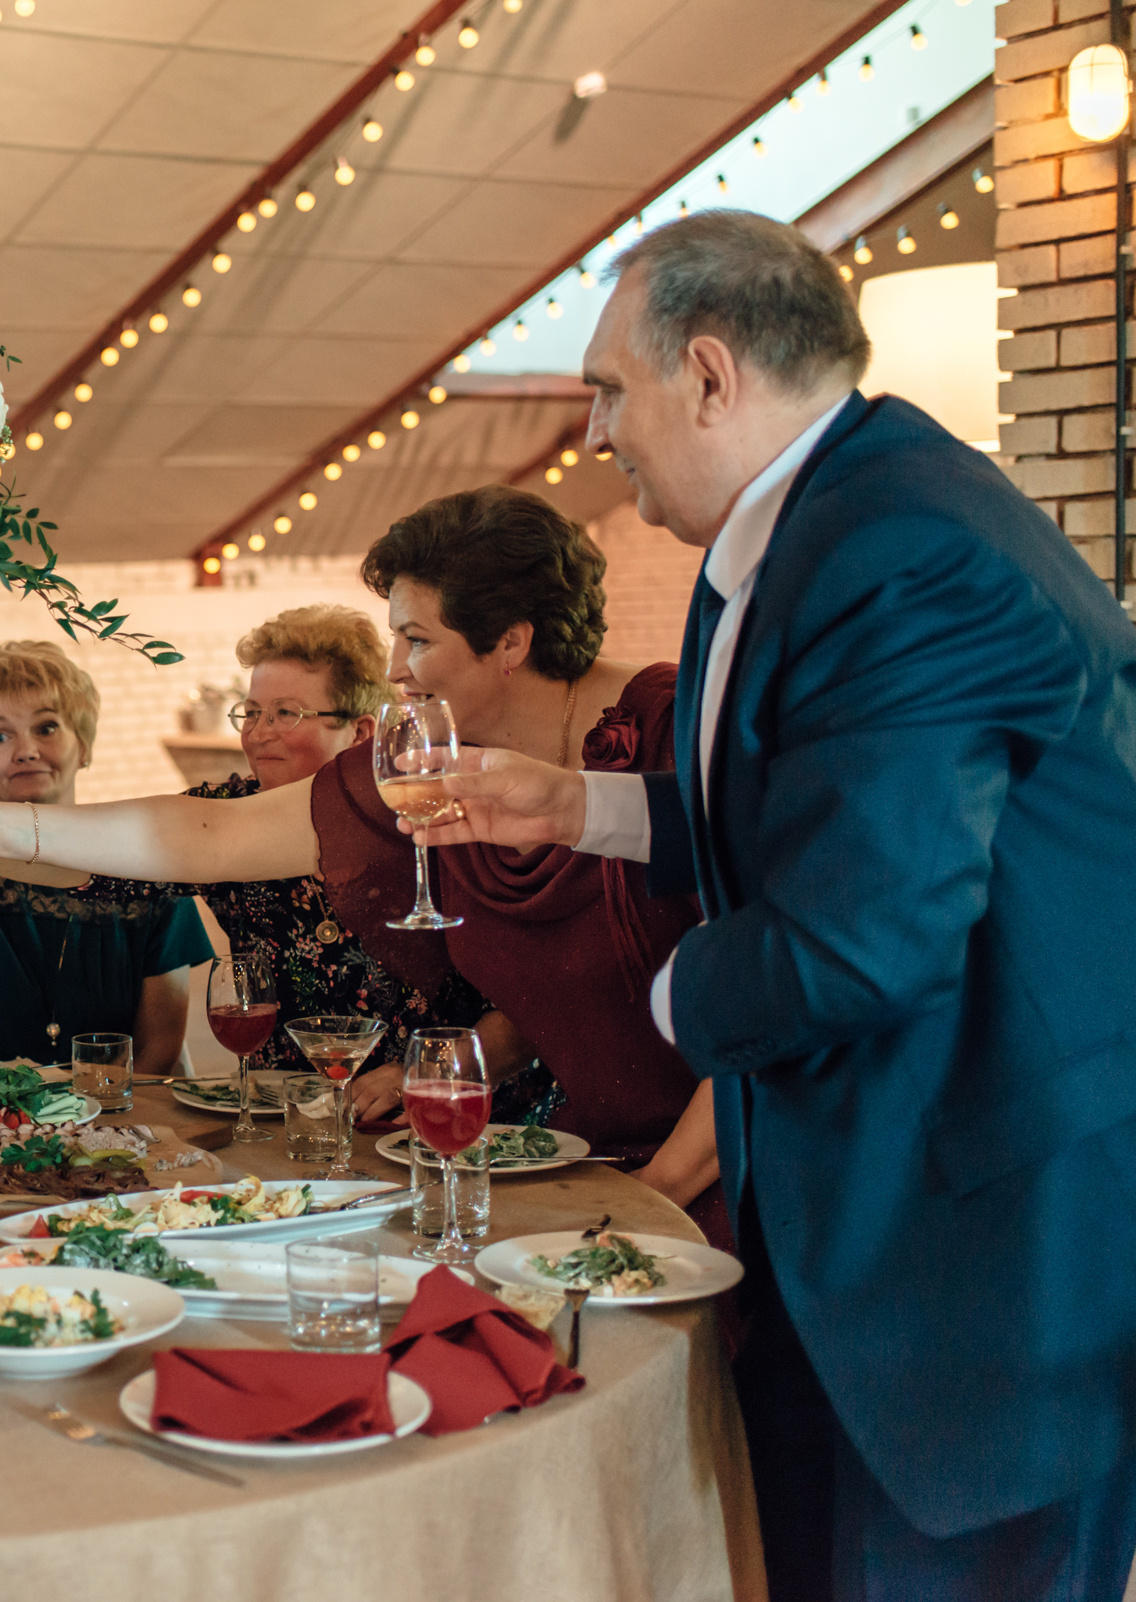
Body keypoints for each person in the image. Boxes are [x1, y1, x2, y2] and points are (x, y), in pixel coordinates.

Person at [400, 211, 1136, 1602]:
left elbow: (865, 938)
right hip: (870, 1215)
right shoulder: (815, 519)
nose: (596, 432)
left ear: (710, 375)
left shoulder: (899, 547)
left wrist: (642, 993)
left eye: (609, 390)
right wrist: (579, 809)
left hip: (982, 1254)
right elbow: (816, 819)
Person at [0, 493, 720, 1241]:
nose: (394, 669)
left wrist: (659, 1193)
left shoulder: (683, 732)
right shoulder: (426, 761)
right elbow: (207, 835)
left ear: (510, 642)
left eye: (417, 639)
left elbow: (774, 984)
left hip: (707, 1179)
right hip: (568, 1177)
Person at [171, 604, 492, 1083]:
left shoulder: (430, 818)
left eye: (285, 713)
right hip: (281, 1112)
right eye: (252, 712)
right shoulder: (231, 810)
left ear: (360, 733)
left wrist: (421, 1075)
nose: (258, 733)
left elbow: (525, 1005)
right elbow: (107, 869)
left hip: (437, 1105)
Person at [0, 642, 214, 1073]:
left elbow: (157, 1053)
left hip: (103, 1111)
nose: (26, 750)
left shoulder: (149, 878)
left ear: (84, 746)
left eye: (47, 728)